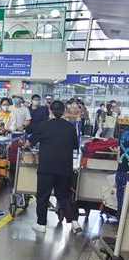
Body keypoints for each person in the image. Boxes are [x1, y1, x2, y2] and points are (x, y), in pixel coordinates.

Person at [27, 100, 81, 234]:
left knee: (43, 196)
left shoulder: (43, 125)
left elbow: (29, 143)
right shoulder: (70, 127)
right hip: (64, 168)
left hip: (47, 168)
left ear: (50, 110)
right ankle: (74, 222)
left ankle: (41, 224)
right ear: (64, 111)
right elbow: (75, 145)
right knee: (63, 196)